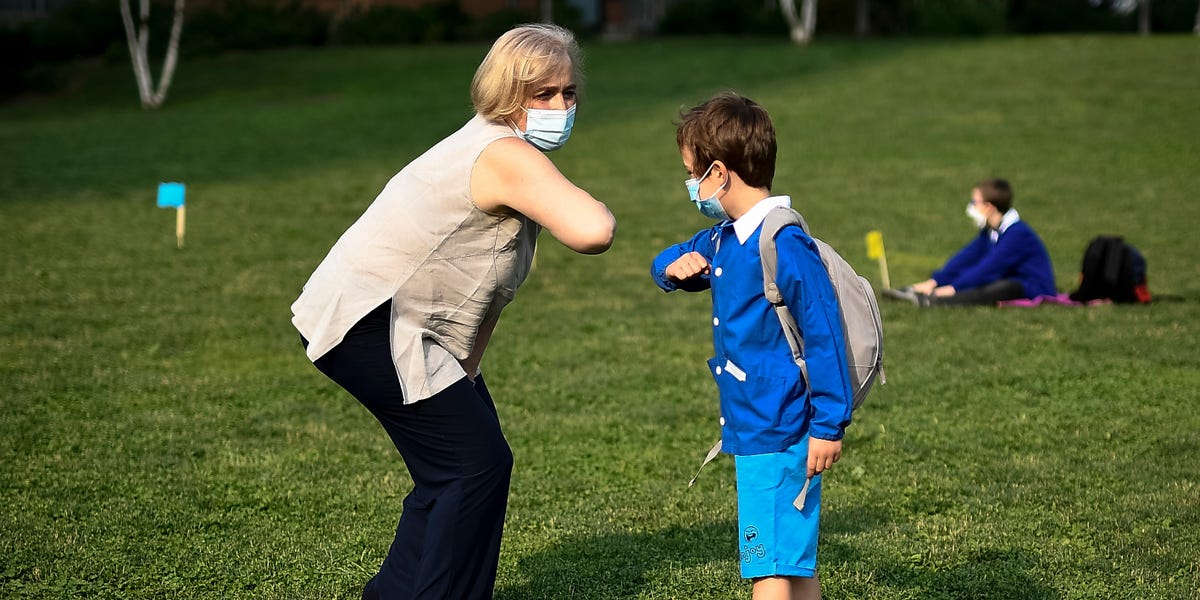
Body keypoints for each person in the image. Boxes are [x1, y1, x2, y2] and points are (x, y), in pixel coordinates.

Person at [290, 24, 615, 600]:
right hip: (372, 323)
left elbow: (485, 290)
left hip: (388, 323)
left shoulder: (492, 143)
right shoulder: (505, 153)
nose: (560, 107)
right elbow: (592, 231)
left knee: (459, 468)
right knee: (473, 467)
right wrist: (596, 200)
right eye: (542, 94)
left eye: (568, 93)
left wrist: (467, 371)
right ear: (506, 93)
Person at [649, 92, 852, 600]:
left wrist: (829, 424)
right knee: (794, 563)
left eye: (692, 173)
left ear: (719, 174)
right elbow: (669, 259)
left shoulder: (782, 244)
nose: (691, 186)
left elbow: (826, 335)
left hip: (779, 425)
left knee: (768, 569)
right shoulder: (723, 239)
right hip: (760, 421)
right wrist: (670, 270)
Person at [885, 178, 1056, 307]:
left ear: (989, 207)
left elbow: (989, 268)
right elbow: (967, 257)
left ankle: (937, 300)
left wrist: (953, 288)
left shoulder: (1018, 234)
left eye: (974, 203)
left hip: (1031, 287)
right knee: (974, 274)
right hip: (1008, 277)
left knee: (994, 286)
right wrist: (936, 281)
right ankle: (922, 292)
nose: (971, 207)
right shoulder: (991, 229)